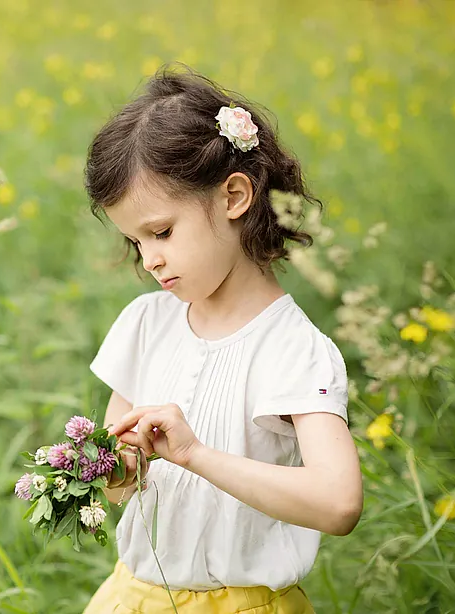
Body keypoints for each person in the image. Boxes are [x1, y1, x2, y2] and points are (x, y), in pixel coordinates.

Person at [81, 64, 363, 613]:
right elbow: (119, 491)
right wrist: (112, 465)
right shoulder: (145, 323)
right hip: (135, 597)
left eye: (161, 232)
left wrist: (195, 455)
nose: (150, 258)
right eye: (135, 241)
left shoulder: (292, 349)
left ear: (234, 196)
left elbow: (338, 503)